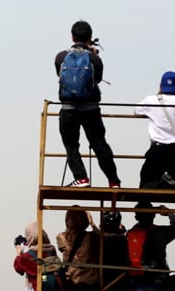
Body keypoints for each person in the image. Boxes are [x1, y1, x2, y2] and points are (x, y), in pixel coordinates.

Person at [54, 20, 121, 188]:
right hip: (91, 109)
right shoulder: (93, 58)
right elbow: (96, 79)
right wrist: (94, 55)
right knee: (99, 144)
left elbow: (60, 76)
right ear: (90, 38)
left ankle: (81, 177)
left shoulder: (61, 57)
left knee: (71, 145)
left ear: (72, 37)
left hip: (68, 109)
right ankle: (113, 181)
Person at [134, 71, 175, 189]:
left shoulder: (151, 100)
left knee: (145, 183)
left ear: (160, 85)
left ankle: (161, 186)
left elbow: (136, 111)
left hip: (157, 150)